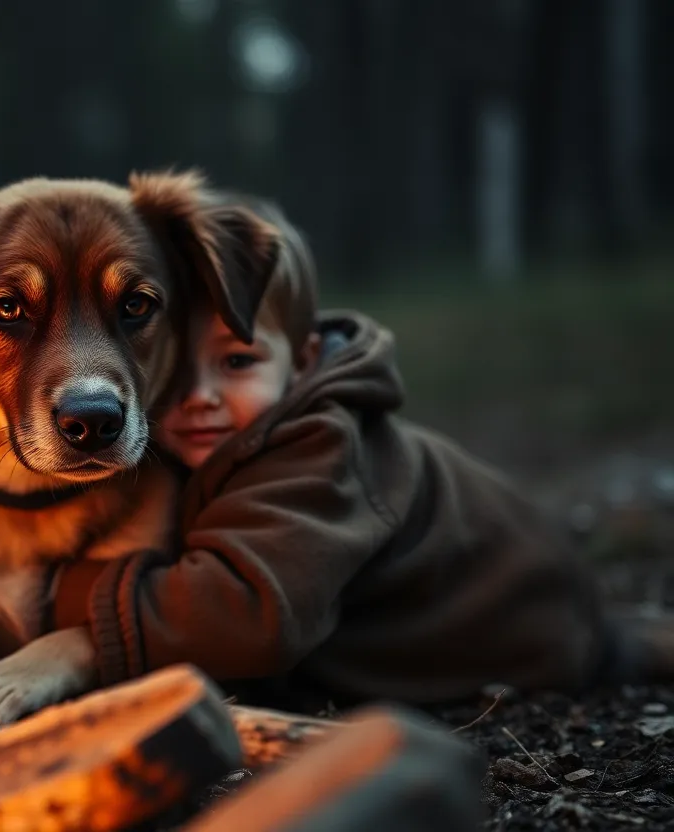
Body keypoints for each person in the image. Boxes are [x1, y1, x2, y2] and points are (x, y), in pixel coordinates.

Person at [47, 195, 665, 709]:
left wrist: (63, 595)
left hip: (522, 631)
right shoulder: (217, 435)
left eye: (237, 363)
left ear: (304, 360)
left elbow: (248, 615)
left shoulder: (317, 448)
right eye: (175, 373)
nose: (199, 397)